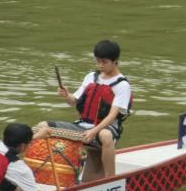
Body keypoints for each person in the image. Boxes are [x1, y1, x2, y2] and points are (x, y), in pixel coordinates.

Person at [57, 39, 133, 181]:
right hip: (83, 124)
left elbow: (112, 115)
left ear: (115, 62)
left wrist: (93, 131)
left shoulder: (122, 85)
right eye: (98, 61)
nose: (100, 65)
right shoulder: (91, 77)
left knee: (105, 136)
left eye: (104, 62)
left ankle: (110, 179)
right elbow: (74, 101)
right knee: (47, 127)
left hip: (107, 127)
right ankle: (62, 177)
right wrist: (66, 95)